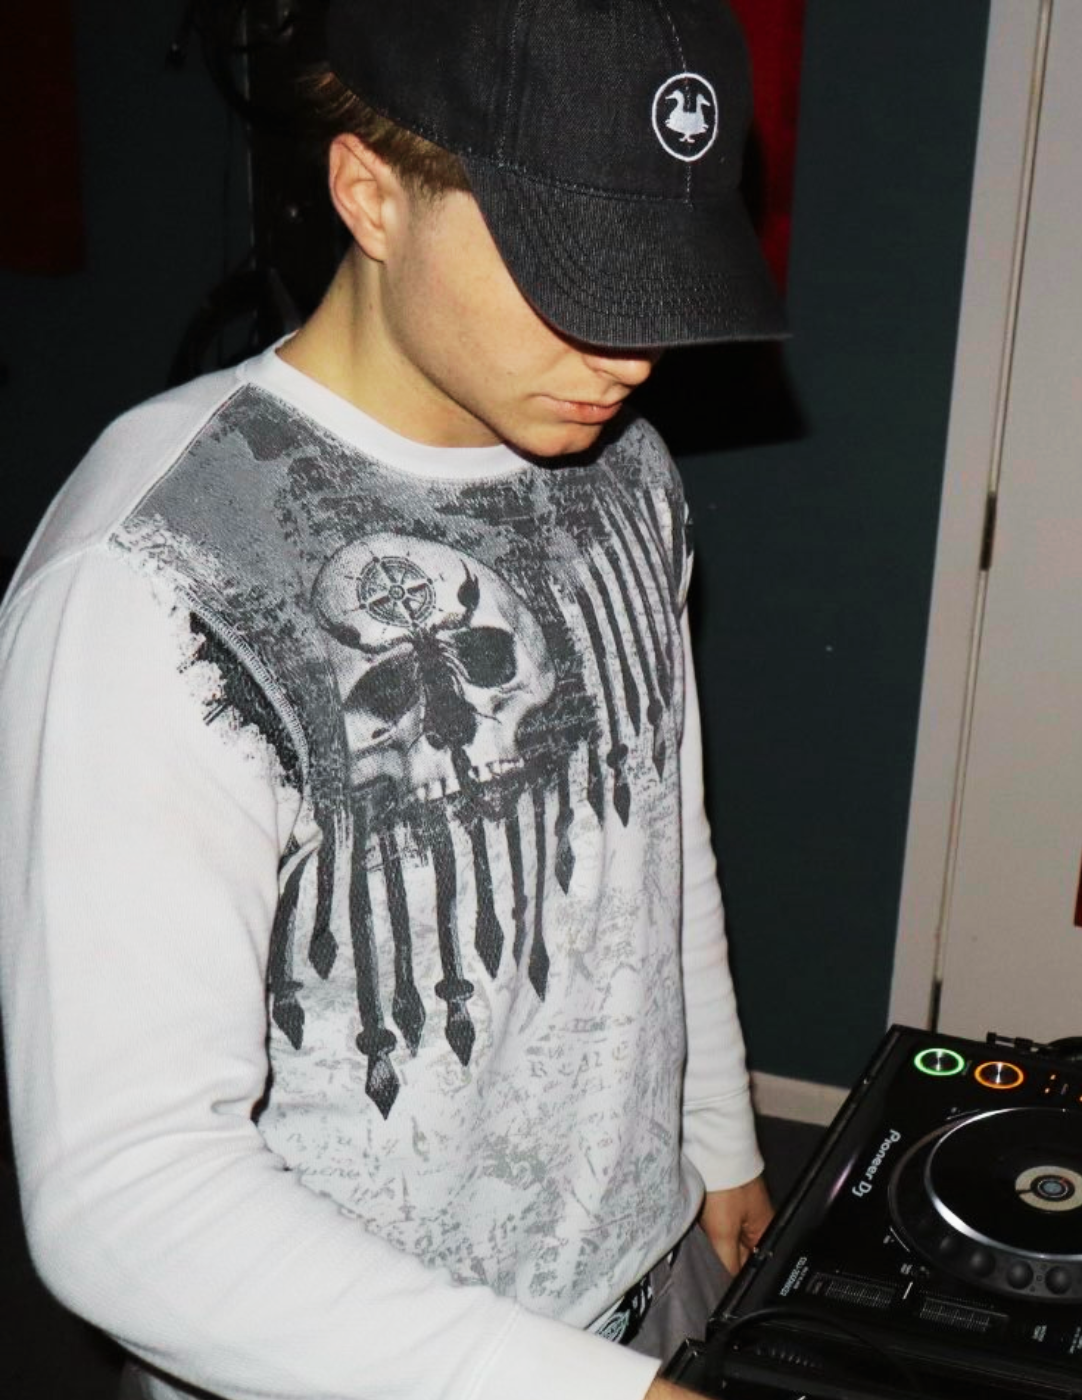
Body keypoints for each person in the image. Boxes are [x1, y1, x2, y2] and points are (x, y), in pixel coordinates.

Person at [0, 1, 788, 1397]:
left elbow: (658, 835)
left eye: (658, 277)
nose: (632, 354)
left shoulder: (627, 469)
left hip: (640, 1287)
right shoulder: (155, 573)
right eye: (573, 271)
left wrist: (712, 1135)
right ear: (370, 191)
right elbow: (125, 1196)